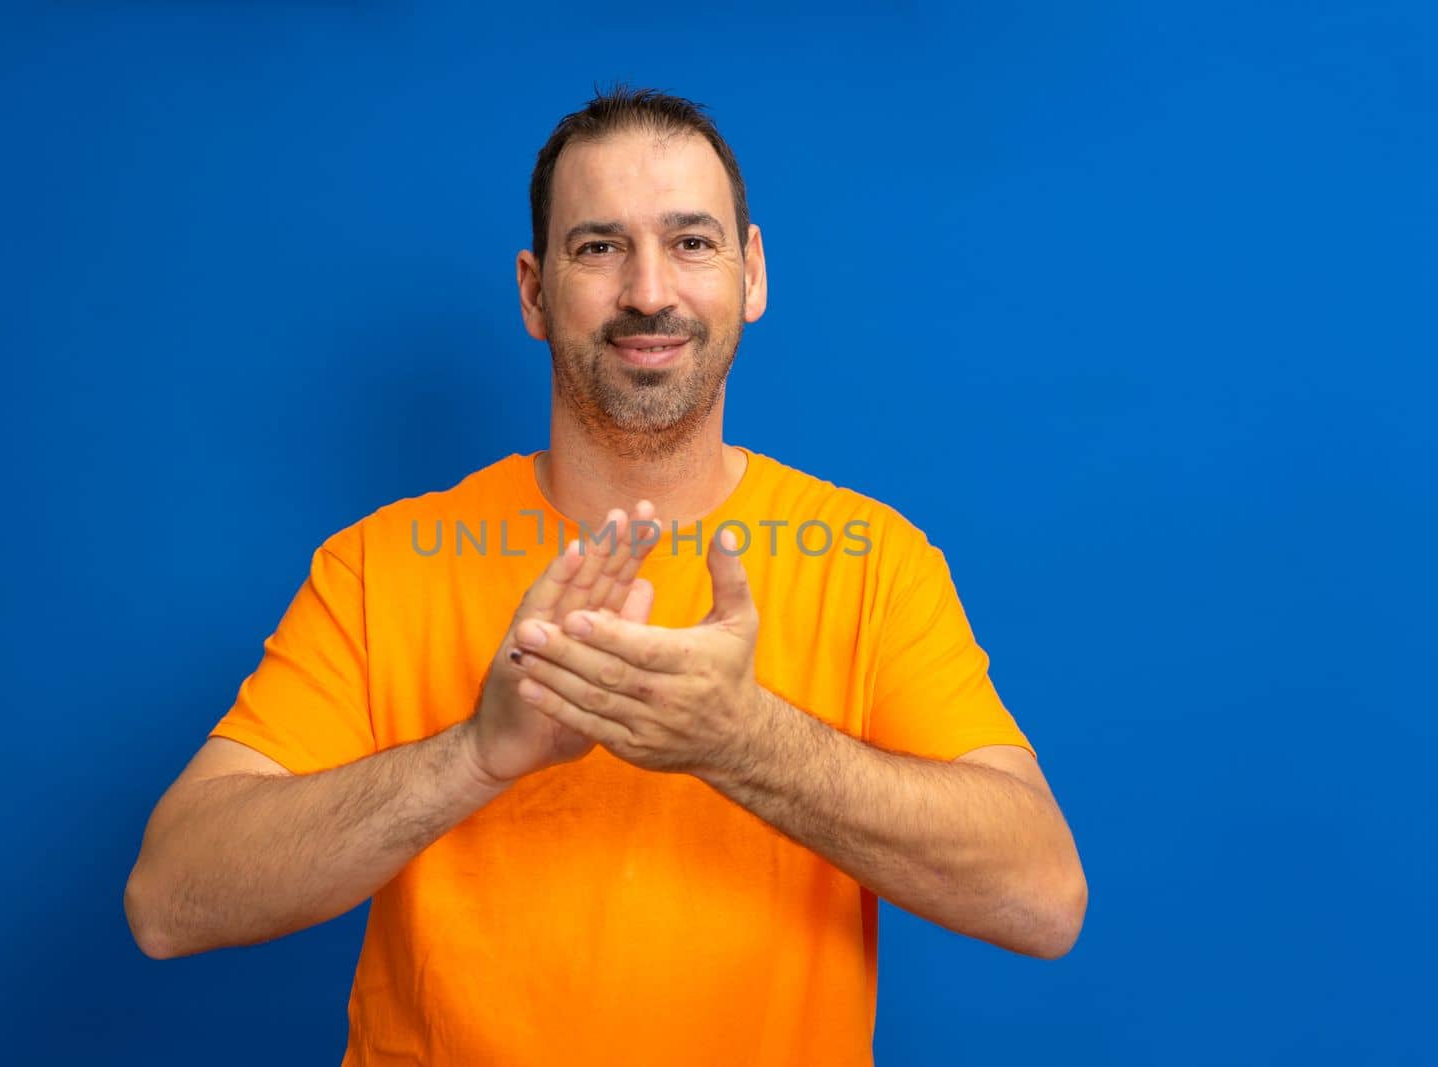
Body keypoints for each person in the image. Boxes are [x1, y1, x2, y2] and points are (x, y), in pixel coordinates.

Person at [124, 85, 1087, 1066]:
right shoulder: (381, 564)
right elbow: (169, 898)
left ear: (751, 273)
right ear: (534, 292)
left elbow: (1041, 897)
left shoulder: (873, 559)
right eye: (598, 247)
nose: (648, 292)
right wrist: (477, 754)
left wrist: (745, 740)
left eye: (691, 242)